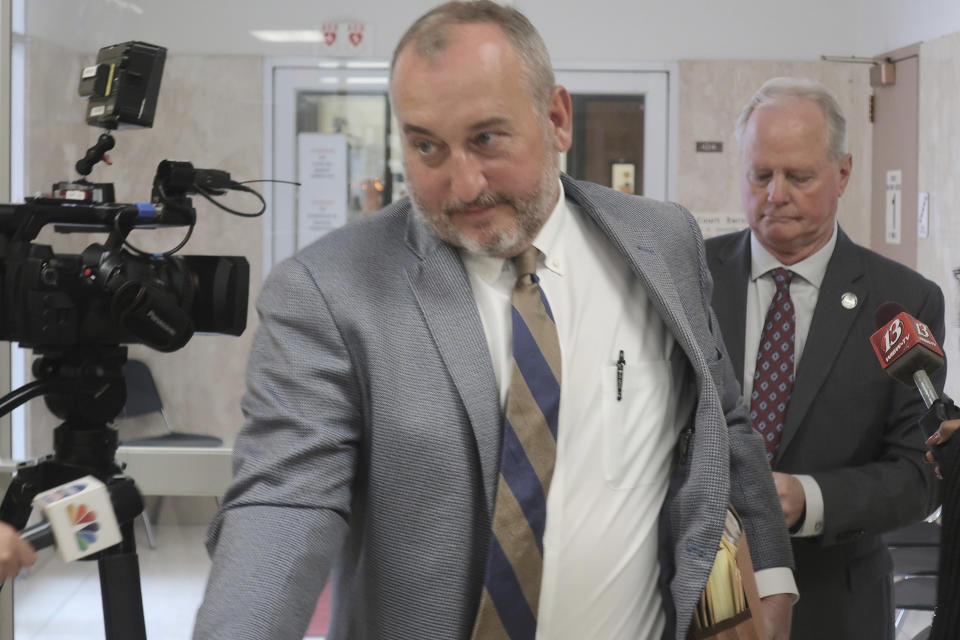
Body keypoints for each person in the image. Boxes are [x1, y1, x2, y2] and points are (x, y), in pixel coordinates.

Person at [193, 3, 795, 639]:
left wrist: (771, 573)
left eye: (486, 138)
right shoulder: (331, 291)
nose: (462, 184)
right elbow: (285, 499)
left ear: (556, 118)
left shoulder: (662, 241)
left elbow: (719, 423)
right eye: (426, 146)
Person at [705, 77, 943, 640]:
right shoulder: (689, 280)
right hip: (703, 599)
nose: (775, 193)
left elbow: (918, 473)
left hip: (837, 607)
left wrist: (806, 497)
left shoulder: (903, 302)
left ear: (842, 173)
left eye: (799, 176)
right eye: (760, 175)